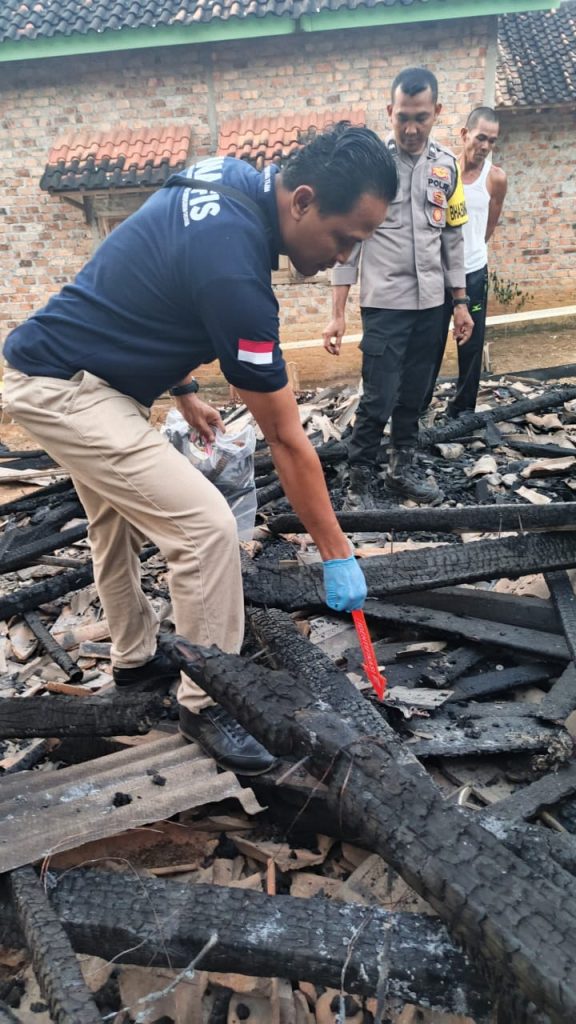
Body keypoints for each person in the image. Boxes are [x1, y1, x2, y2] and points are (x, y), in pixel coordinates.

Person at [2, 124, 398, 774]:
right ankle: (210, 701)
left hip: (67, 368)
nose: (342, 258)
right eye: (343, 238)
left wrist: (183, 388)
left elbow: (154, 271)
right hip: (65, 390)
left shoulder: (223, 173)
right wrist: (337, 555)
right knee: (206, 528)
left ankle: (134, 663)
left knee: (114, 522)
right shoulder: (237, 279)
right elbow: (286, 439)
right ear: (301, 201)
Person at [323, 68, 473, 509]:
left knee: (414, 394)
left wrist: (460, 303)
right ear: (390, 112)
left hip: (432, 305)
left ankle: (400, 471)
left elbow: (452, 238)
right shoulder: (372, 168)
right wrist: (337, 313)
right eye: (402, 117)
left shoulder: (446, 167)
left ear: (437, 113)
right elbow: (348, 242)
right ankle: (358, 481)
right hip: (385, 305)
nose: (411, 128)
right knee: (378, 397)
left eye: (421, 117)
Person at [424, 107, 508, 417]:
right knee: (430, 341)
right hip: (439, 273)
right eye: (481, 138)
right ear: (465, 135)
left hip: (473, 272)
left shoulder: (495, 178)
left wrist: (471, 253)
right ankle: (419, 405)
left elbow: (490, 224)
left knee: (470, 343)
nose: (485, 146)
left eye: (492, 141)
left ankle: (462, 409)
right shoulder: (445, 172)